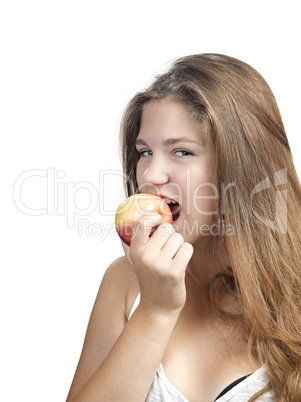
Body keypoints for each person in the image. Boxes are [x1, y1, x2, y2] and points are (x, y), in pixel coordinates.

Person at [66, 54, 301, 401]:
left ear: (241, 168)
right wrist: (155, 310)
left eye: (181, 152)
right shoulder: (126, 283)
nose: (149, 176)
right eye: (144, 152)